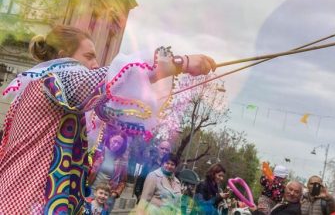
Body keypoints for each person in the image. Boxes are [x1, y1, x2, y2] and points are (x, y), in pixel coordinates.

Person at [0, 25, 217, 214]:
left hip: (17, 198)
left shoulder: (41, 85)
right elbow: (119, 77)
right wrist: (183, 63)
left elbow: (116, 92)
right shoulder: (57, 78)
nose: (95, 64)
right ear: (64, 56)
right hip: (25, 203)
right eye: (89, 56)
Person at [88, 127, 129, 212]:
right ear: (110, 138)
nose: (116, 145)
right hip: (91, 191)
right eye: (115, 141)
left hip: (107, 197)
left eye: (119, 143)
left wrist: (115, 194)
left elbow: (123, 181)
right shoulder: (98, 152)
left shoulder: (122, 160)